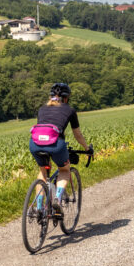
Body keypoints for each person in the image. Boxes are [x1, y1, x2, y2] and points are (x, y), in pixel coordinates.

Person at [29, 82, 92, 212]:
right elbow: (77, 134)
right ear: (66, 98)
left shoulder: (42, 109)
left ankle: (39, 207)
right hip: (56, 144)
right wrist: (87, 148)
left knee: (43, 172)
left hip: (35, 143)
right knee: (64, 170)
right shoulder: (70, 110)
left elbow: (44, 129)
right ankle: (57, 199)